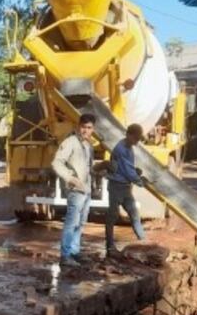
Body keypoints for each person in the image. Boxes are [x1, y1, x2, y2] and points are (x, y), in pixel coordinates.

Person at [51, 113, 96, 267]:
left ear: (93, 129)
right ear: (79, 127)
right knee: (71, 222)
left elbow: (89, 167)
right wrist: (70, 178)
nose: (85, 130)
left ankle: (74, 252)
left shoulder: (88, 145)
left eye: (89, 128)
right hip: (75, 190)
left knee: (81, 223)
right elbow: (57, 162)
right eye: (83, 127)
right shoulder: (70, 142)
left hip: (86, 189)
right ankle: (65, 256)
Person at [105, 123, 146, 257]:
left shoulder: (129, 147)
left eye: (139, 139)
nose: (137, 142)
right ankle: (110, 246)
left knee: (134, 213)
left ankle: (144, 241)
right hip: (116, 186)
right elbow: (127, 170)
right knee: (112, 216)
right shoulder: (121, 149)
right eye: (136, 139)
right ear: (129, 135)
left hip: (125, 187)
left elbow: (128, 168)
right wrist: (139, 181)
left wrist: (136, 172)